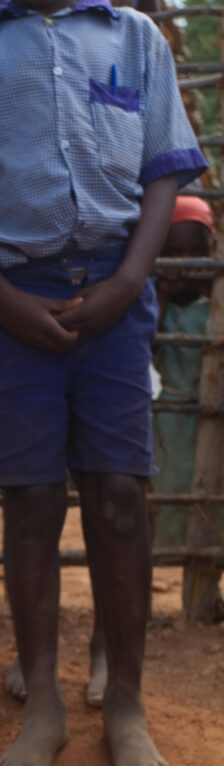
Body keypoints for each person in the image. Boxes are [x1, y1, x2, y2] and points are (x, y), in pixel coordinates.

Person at [0, 0, 207, 766]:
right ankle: (42, 697)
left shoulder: (135, 38)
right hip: (13, 302)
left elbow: (164, 171)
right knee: (32, 500)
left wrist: (130, 281)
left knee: (118, 495)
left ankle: (127, 704)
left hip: (116, 293)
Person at [152, 196, 222, 571]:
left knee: (214, 490)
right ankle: (174, 559)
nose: (186, 262)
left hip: (213, 413)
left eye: (197, 251)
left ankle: (207, 582)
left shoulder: (215, 307)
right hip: (172, 422)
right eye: (173, 253)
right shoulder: (154, 305)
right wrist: (161, 294)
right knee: (173, 488)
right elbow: (150, 344)